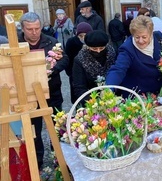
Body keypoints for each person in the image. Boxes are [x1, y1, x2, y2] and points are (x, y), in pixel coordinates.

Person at [18, 12, 69, 169]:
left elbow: (65, 59)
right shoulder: (16, 44)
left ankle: (58, 158)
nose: (34, 32)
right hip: (28, 95)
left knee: (55, 127)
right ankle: (37, 161)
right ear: (22, 29)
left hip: (52, 92)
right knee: (34, 130)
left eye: (37, 28)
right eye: (30, 29)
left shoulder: (51, 42)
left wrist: (52, 70)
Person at [106, 15, 162, 95]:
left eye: (144, 37)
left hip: (160, 92)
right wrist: (108, 89)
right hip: (138, 95)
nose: (141, 41)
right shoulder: (127, 49)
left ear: (151, 34)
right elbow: (118, 69)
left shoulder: (158, 37)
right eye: (137, 37)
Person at [72, 30, 116, 105]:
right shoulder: (80, 59)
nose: (98, 51)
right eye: (94, 49)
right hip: (90, 99)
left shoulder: (112, 54)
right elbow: (79, 86)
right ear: (88, 47)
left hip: (112, 97)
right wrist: (94, 103)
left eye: (101, 48)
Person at [65, 22, 93, 103]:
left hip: (90, 75)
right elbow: (68, 58)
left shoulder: (92, 41)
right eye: (81, 36)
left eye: (85, 35)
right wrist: (70, 73)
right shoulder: (71, 42)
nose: (83, 38)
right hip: (75, 74)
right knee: (78, 99)